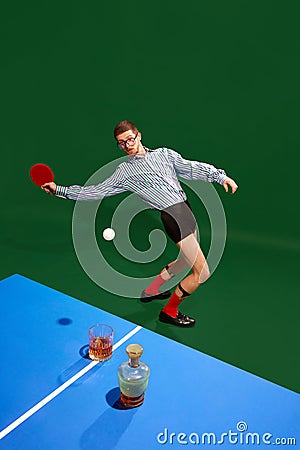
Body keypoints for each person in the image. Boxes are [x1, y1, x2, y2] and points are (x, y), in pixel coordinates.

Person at [42, 120, 238, 327]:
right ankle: (169, 312)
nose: (127, 145)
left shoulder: (165, 154)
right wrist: (59, 190)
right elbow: (95, 191)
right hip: (173, 217)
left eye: (130, 139)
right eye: (121, 143)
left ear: (139, 135)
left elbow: (191, 167)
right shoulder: (124, 171)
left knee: (185, 261)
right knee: (202, 273)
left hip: (186, 210)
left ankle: (151, 291)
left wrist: (219, 176)